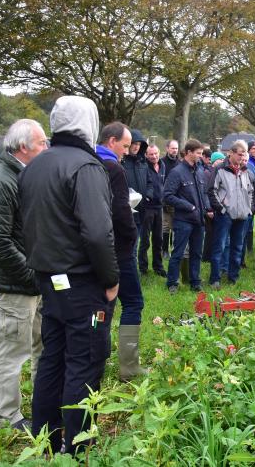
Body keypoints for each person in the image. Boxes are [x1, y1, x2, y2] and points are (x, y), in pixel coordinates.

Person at [20, 96, 119, 455]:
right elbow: (97, 233)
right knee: (85, 361)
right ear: (88, 124)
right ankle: (78, 447)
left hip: (50, 279)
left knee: (53, 358)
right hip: (82, 284)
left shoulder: (35, 165)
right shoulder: (86, 167)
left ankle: (44, 440)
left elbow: (25, 223)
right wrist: (110, 279)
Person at [0, 120, 47, 431]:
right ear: (24, 147)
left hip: (33, 280)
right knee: (11, 351)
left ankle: (43, 402)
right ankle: (4, 416)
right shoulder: (3, 178)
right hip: (16, 284)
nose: (46, 148)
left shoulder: (23, 174)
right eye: (41, 143)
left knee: (40, 344)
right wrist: (30, 275)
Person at [96, 122, 147, 382]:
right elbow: (121, 211)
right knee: (133, 302)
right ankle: (129, 364)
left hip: (94, 248)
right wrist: (131, 236)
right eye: (125, 146)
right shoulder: (113, 168)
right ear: (111, 141)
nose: (126, 152)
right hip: (119, 248)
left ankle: (95, 358)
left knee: (99, 307)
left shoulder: (88, 162)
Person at [164, 139, 212, 293]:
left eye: (201, 153)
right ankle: (172, 283)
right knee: (178, 253)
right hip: (183, 220)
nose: (200, 156)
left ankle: (195, 282)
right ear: (189, 152)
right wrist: (188, 206)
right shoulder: (177, 172)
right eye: (198, 153)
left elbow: (204, 193)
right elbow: (167, 195)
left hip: (199, 219)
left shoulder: (199, 171)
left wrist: (207, 208)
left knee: (196, 253)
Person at [208, 140, 254, 288]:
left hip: (242, 216)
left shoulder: (246, 170)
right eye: (240, 154)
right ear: (231, 153)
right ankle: (215, 279)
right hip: (225, 216)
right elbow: (211, 190)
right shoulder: (220, 169)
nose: (242, 157)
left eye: (244, 154)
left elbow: (251, 191)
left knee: (237, 248)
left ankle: (233, 278)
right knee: (219, 247)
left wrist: (248, 208)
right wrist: (222, 210)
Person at [139, 144, 166, 276]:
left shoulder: (162, 165)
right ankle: (143, 268)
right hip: (147, 207)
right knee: (145, 240)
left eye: (156, 153)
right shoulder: (143, 167)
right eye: (151, 154)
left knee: (158, 239)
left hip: (159, 207)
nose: (154, 156)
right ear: (146, 155)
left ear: (159, 153)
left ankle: (158, 267)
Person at [122, 129, 149, 241]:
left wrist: (148, 195)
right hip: (126, 209)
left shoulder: (143, 163)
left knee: (135, 242)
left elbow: (150, 182)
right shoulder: (121, 162)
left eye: (139, 144)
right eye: (134, 144)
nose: (137, 147)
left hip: (141, 210)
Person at [160, 139, 179, 258]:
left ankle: (173, 248)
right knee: (166, 226)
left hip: (177, 199)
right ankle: (164, 249)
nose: (175, 150)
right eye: (173, 148)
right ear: (167, 148)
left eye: (176, 148)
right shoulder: (162, 163)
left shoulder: (180, 163)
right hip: (165, 199)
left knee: (175, 225)